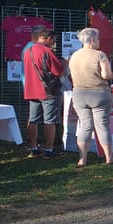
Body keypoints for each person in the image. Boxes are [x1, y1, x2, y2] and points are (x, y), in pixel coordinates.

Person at [69, 28, 113, 166]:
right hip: (99, 93)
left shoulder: (74, 56)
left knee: (85, 126)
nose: (99, 41)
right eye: (98, 38)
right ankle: (109, 157)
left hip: (79, 94)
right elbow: (106, 75)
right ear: (92, 40)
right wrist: (112, 75)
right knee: (102, 126)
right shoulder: (99, 55)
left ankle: (82, 159)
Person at [22, 27, 66, 157]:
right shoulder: (47, 51)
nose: (54, 43)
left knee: (33, 119)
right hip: (48, 90)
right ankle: (49, 149)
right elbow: (59, 72)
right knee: (50, 120)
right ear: (48, 38)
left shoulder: (27, 50)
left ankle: (33, 147)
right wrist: (65, 64)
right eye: (54, 41)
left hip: (31, 88)